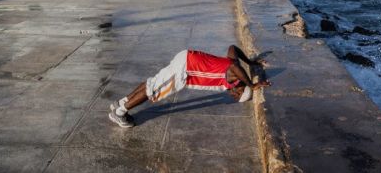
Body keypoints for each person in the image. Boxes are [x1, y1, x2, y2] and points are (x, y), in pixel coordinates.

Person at [108, 45, 270, 128]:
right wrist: (252, 84)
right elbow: (236, 69)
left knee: (153, 83)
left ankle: (121, 103)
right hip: (184, 70)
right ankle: (120, 113)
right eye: (238, 95)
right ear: (241, 88)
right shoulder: (233, 77)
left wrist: (250, 62)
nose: (233, 96)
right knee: (153, 91)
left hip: (186, 56)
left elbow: (232, 48)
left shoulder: (232, 62)